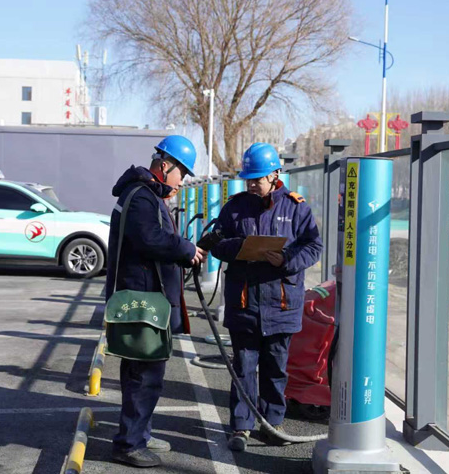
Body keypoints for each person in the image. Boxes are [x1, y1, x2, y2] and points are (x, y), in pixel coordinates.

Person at [210, 142, 323, 452]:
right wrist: (242, 248)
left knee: (276, 368)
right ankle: (241, 426)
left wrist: (285, 259)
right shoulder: (234, 207)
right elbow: (216, 244)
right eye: (249, 179)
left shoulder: (297, 206)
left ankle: (273, 423)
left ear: (275, 174)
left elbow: (313, 247)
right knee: (244, 367)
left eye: (257, 178)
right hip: (244, 302)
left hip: (281, 303)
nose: (251, 184)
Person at [105, 134, 205, 468]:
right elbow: (150, 239)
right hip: (142, 301)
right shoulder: (142, 197)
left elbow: (154, 238)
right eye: (182, 174)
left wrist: (181, 249)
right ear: (165, 166)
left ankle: (140, 435)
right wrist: (185, 249)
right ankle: (129, 444)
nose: (182, 181)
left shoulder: (143, 194)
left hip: (147, 300)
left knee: (144, 373)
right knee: (143, 376)